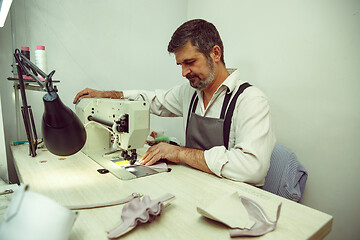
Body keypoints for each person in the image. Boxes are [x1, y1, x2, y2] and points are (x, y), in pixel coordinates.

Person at [73, 19, 276, 186]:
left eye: (190, 62)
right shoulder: (191, 92)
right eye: (180, 64)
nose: (184, 72)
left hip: (236, 201)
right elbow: (151, 100)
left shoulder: (250, 100)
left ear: (215, 53)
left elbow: (252, 169)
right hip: (196, 187)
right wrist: (108, 95)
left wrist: (179, 152)